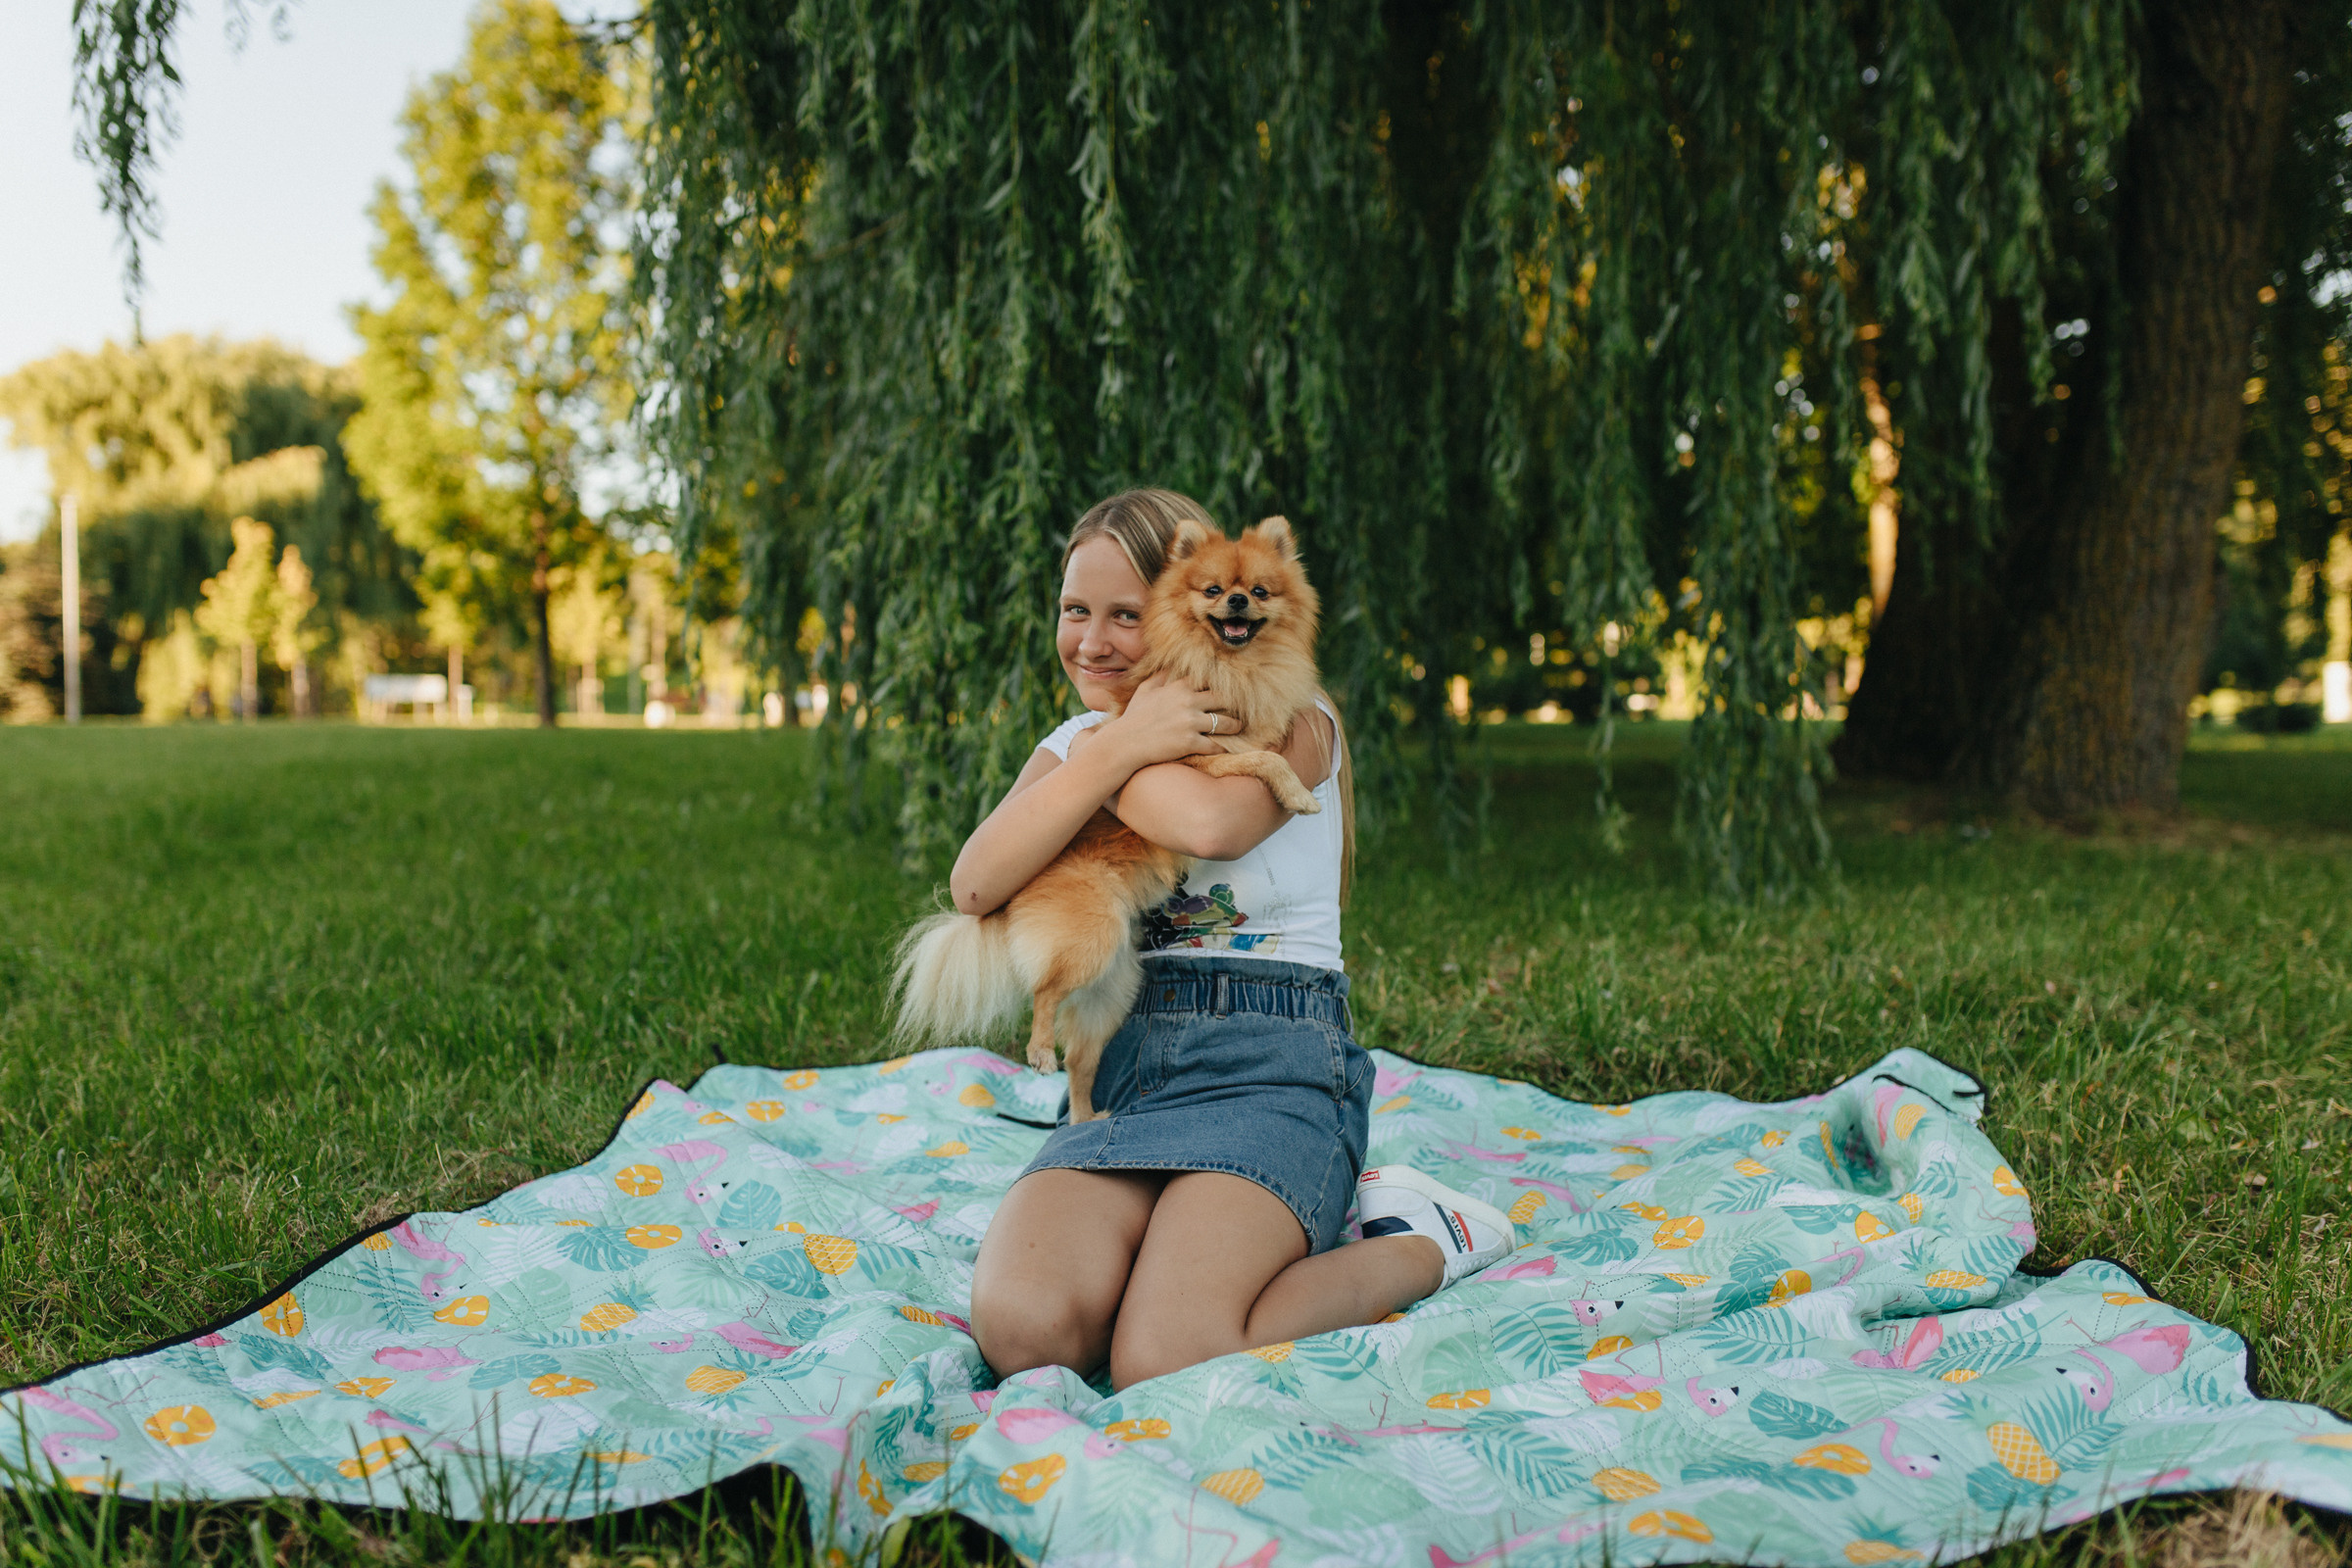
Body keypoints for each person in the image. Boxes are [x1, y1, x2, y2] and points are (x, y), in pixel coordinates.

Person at [959, 488, 1516, 1391]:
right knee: (1026, 1331)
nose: (1092, 643)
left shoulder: (1294, 718)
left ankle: (1421, 1240)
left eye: (1126, 615)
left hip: (1276, 1071)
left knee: (1164, 1355)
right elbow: (974, 882)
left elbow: (1214, 824)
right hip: (1124, 1081)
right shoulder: (1081, 744)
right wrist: (1110, 745)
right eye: (1074, 610)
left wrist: (1104, 759)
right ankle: (1161, 1250)